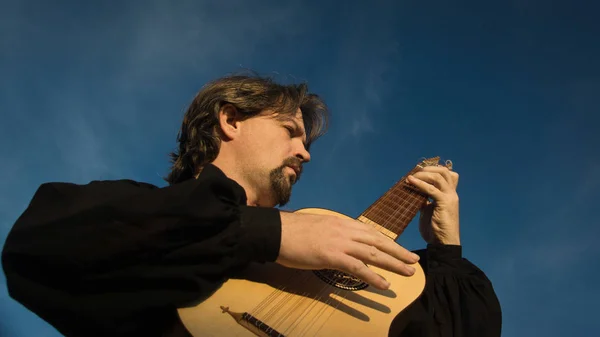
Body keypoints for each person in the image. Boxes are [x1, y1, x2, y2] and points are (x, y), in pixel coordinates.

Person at [2, 74, 502, 337]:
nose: (305, 152)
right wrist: (277, 234)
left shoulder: (307, 270)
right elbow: (41, 248)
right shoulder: (133, 212)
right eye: (290, 131)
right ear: (230, 120)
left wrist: (446, 251)